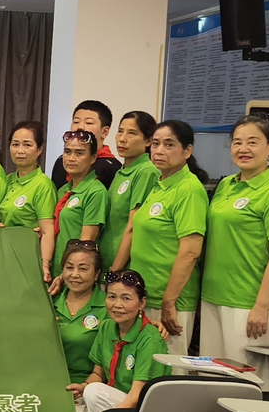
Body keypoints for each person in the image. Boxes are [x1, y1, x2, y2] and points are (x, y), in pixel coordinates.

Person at [201, 114, 269, 363]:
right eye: (237, 142)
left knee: (246, 380)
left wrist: (262, 306)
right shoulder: (226, 185)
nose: (243, 149)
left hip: (248, 304)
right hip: (212, 296)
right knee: (209, 377)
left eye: (252, 142)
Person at [115, 120, 209, 356]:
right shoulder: (159, 184)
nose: (159, 151)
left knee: (168, 372)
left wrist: (169, 302)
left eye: (169, 145)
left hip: (169, 302)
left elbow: (191, 250)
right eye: (155, 144)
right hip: (145, 296)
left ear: (187, 151)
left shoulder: (188, 189)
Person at [66, 269, 170, 412]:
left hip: (141, 410)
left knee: (94, 393)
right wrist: (83, 386)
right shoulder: (107, 327)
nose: (117, 304)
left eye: (126, 298)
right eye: (112, 297)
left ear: (142, 303)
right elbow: (98, 374)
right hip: (115, 401)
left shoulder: (150, 339)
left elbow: (136, 396)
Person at [53, 241, 108, 412]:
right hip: (48, 387)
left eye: (83, 269)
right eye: (69, 267)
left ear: (97, 274)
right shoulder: (49, 302)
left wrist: (85, 387)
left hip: (87, 390)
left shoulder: (109, 308)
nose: (75, 274)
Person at [0, 121, 58, 282]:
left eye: (27, 145)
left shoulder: (43, 184)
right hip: (2, 255)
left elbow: (47, 230)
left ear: (40, 149)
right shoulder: (7, 180)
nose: (20, 150)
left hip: (27, 258)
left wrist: (45, 264)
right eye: (15, 144)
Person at [100, 112, 159, 270]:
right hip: (107, 260)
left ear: (148, 141)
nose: (122, 138)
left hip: (123, 267)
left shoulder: (146, 171)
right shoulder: (122, 171)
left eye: (132, 133)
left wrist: (115, 269)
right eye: (120, 131)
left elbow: (133, 227)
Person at [51, 130, 108, 280]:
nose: (71, 158)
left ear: (93, 158)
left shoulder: (95, 192)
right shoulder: (64, 190)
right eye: (67, 152)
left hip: (74, 275)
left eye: (79, 153)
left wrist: (66, 275)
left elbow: (86, 244)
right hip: (56, 268)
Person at [50, 100, 122, 190]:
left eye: (89, 123)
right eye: (76, 122)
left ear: (104, 132)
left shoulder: (112, 168)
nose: (80, 127)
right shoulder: (61, 162)